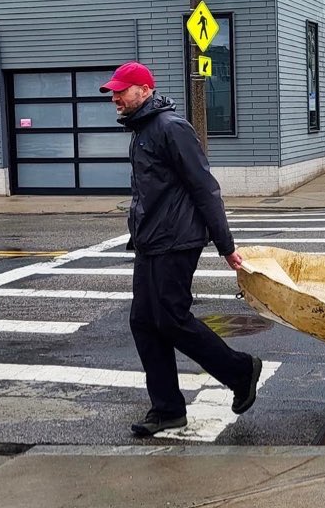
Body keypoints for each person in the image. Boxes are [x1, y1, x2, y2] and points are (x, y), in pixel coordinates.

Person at [100, 62, 262, 437]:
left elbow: (205, 187)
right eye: (114, 92)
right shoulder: (141, 131)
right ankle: (168, 409)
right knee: (143, 322)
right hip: (151, 242)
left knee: (170, 319)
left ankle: (240, 371)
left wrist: (226, 246)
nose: (115, 98)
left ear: (144, 89)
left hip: (176, 240)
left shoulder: (172, 128)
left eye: (121, 91)